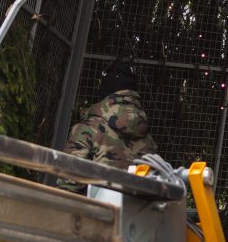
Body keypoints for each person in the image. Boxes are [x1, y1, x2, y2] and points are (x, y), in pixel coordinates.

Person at [59, 61, 158, 194]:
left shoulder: (88, 129)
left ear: (106, 87)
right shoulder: (148, 140)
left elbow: (68, 184)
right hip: (135, 213)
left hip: (95, 211)